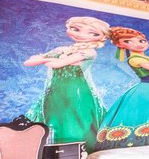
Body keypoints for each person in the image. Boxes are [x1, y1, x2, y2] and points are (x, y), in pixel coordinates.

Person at [24, 16, 110, 151]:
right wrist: (49, 60)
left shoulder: (89, 52)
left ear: (102, 37)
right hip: (55, 90)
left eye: (93, 33)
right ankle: (52, 153)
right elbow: (29, 62)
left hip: (77, 91)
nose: (82, 35)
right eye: (76, 29)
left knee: (77, 121)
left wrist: (44, 59)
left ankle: (79, 154)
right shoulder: (61, 49)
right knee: (53, 117)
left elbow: (58, 64)